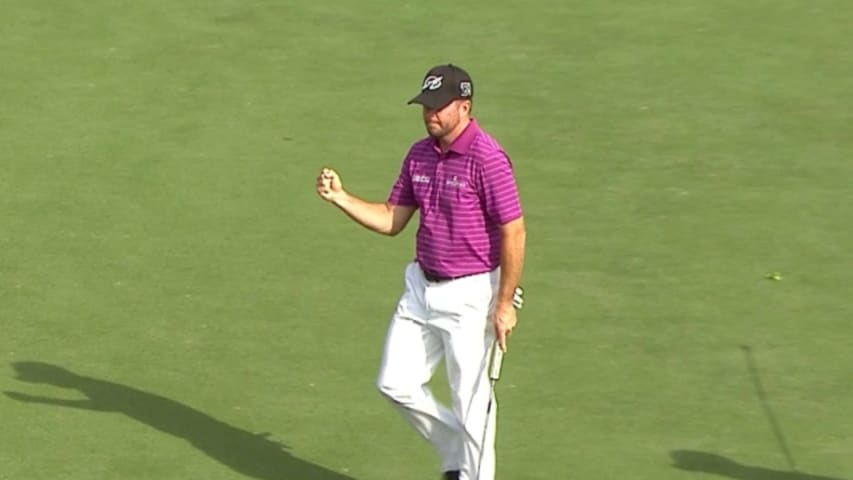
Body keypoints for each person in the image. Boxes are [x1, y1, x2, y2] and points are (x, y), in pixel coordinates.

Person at [315, 63, 526, 480]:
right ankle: (457, 456)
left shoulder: (488, 158)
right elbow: (393, 219)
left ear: (464, 107)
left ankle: (471, 473)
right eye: (425, 106)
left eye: (438, 107)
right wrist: (341, 198)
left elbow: (514, 231)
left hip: (471, 296)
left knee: (471, 401)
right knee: (395, 383)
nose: (429, 114)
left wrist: (504, 302)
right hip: (420, 288)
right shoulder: (419, 155)